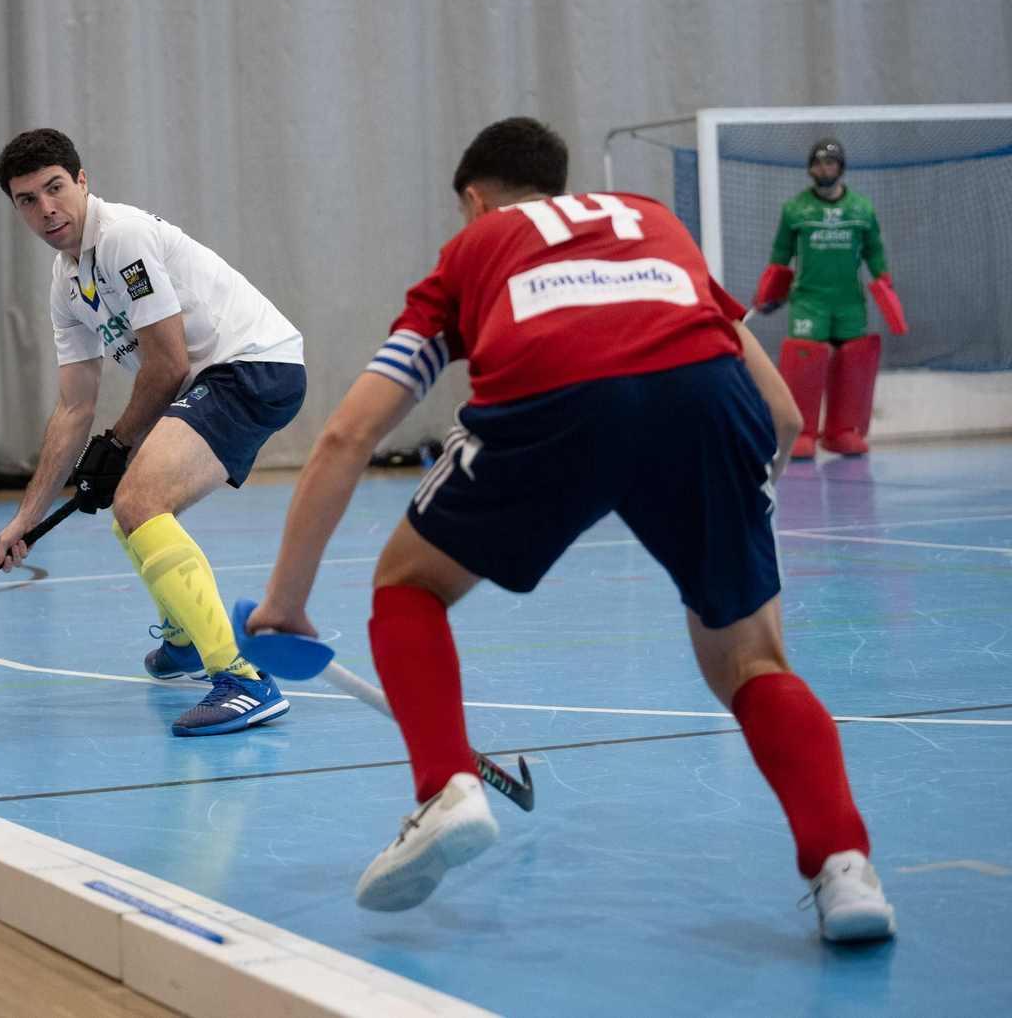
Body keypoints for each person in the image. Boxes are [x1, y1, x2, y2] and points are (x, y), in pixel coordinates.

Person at [245, 117, 897, 942]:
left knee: (409, 583)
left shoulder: (472, 253)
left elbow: (347, 435)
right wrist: (739, 501)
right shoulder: (651, 222)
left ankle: (446, 788)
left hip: (555, 398)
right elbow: (784, 413)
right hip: (704, 405)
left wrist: (286, 602)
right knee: (752, 661)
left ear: (476, 201)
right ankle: (846, 871)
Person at [0, 128, 307, 736]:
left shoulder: (122, 239)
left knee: (138, 497)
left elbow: (168, 365)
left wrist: (117, 444)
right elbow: (73, 407)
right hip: (215, 378)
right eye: (27, 199)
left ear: (81, 182)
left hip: (255, 367)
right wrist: (25, 516)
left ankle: (242, 679)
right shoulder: (66, 283)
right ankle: (185, 640)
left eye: (55, 188)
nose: (45, 208)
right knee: (130, 509)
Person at [753, 137, 905, 458]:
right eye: (819, 162)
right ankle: (801, 433)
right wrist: (772, 285)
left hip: (849, 302)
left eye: (831, 162)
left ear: (841, 167)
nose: (825, 168)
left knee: (854, 362)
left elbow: (874, 248)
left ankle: (843, 431)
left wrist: (883, 276)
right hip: (809, 300)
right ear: (810, 167)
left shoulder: (861, 208)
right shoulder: (795, 209)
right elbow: (780, 253)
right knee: (805, 361)